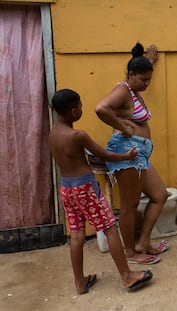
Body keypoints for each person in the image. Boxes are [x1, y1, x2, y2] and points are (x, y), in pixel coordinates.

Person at [48, 89, 153, 294]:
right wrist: (127, 156)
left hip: (66, 188)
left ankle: (80, 282)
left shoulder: (52, 132)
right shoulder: (78, 135)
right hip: (85, 188)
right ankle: (127, 276)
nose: (81, 109)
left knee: (77, 234)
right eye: (79, 106)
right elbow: (104, 155)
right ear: (72, 111)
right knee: (110, 228)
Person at [95, 42, 169, 265]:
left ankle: (143, 242)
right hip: (127, 152)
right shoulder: (122, 90)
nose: (147, 84)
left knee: (160, 195)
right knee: (130, 205)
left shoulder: (133, 89)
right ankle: (130, 252)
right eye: (144, 79)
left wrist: (149, 61)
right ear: (131, 74)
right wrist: (122, 125)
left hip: (140, 153)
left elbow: (138, 77)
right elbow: (101, 108)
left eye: (150, 79)